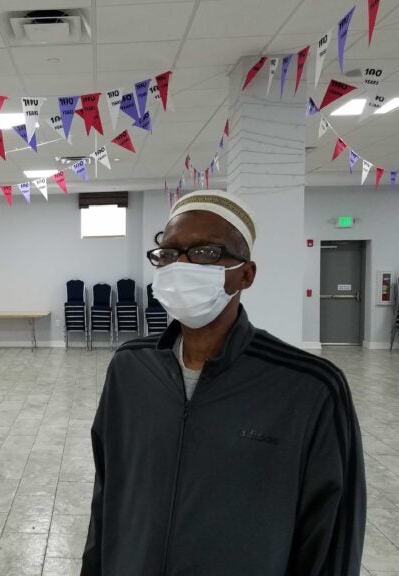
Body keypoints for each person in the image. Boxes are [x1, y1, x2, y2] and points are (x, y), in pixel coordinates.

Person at [81, 190, 365, 576]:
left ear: (245, 274)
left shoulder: (309, 388)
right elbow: (108, 495)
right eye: (169, 253)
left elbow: (332, 538)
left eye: (205, 252)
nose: (180, 266)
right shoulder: (130, 370)